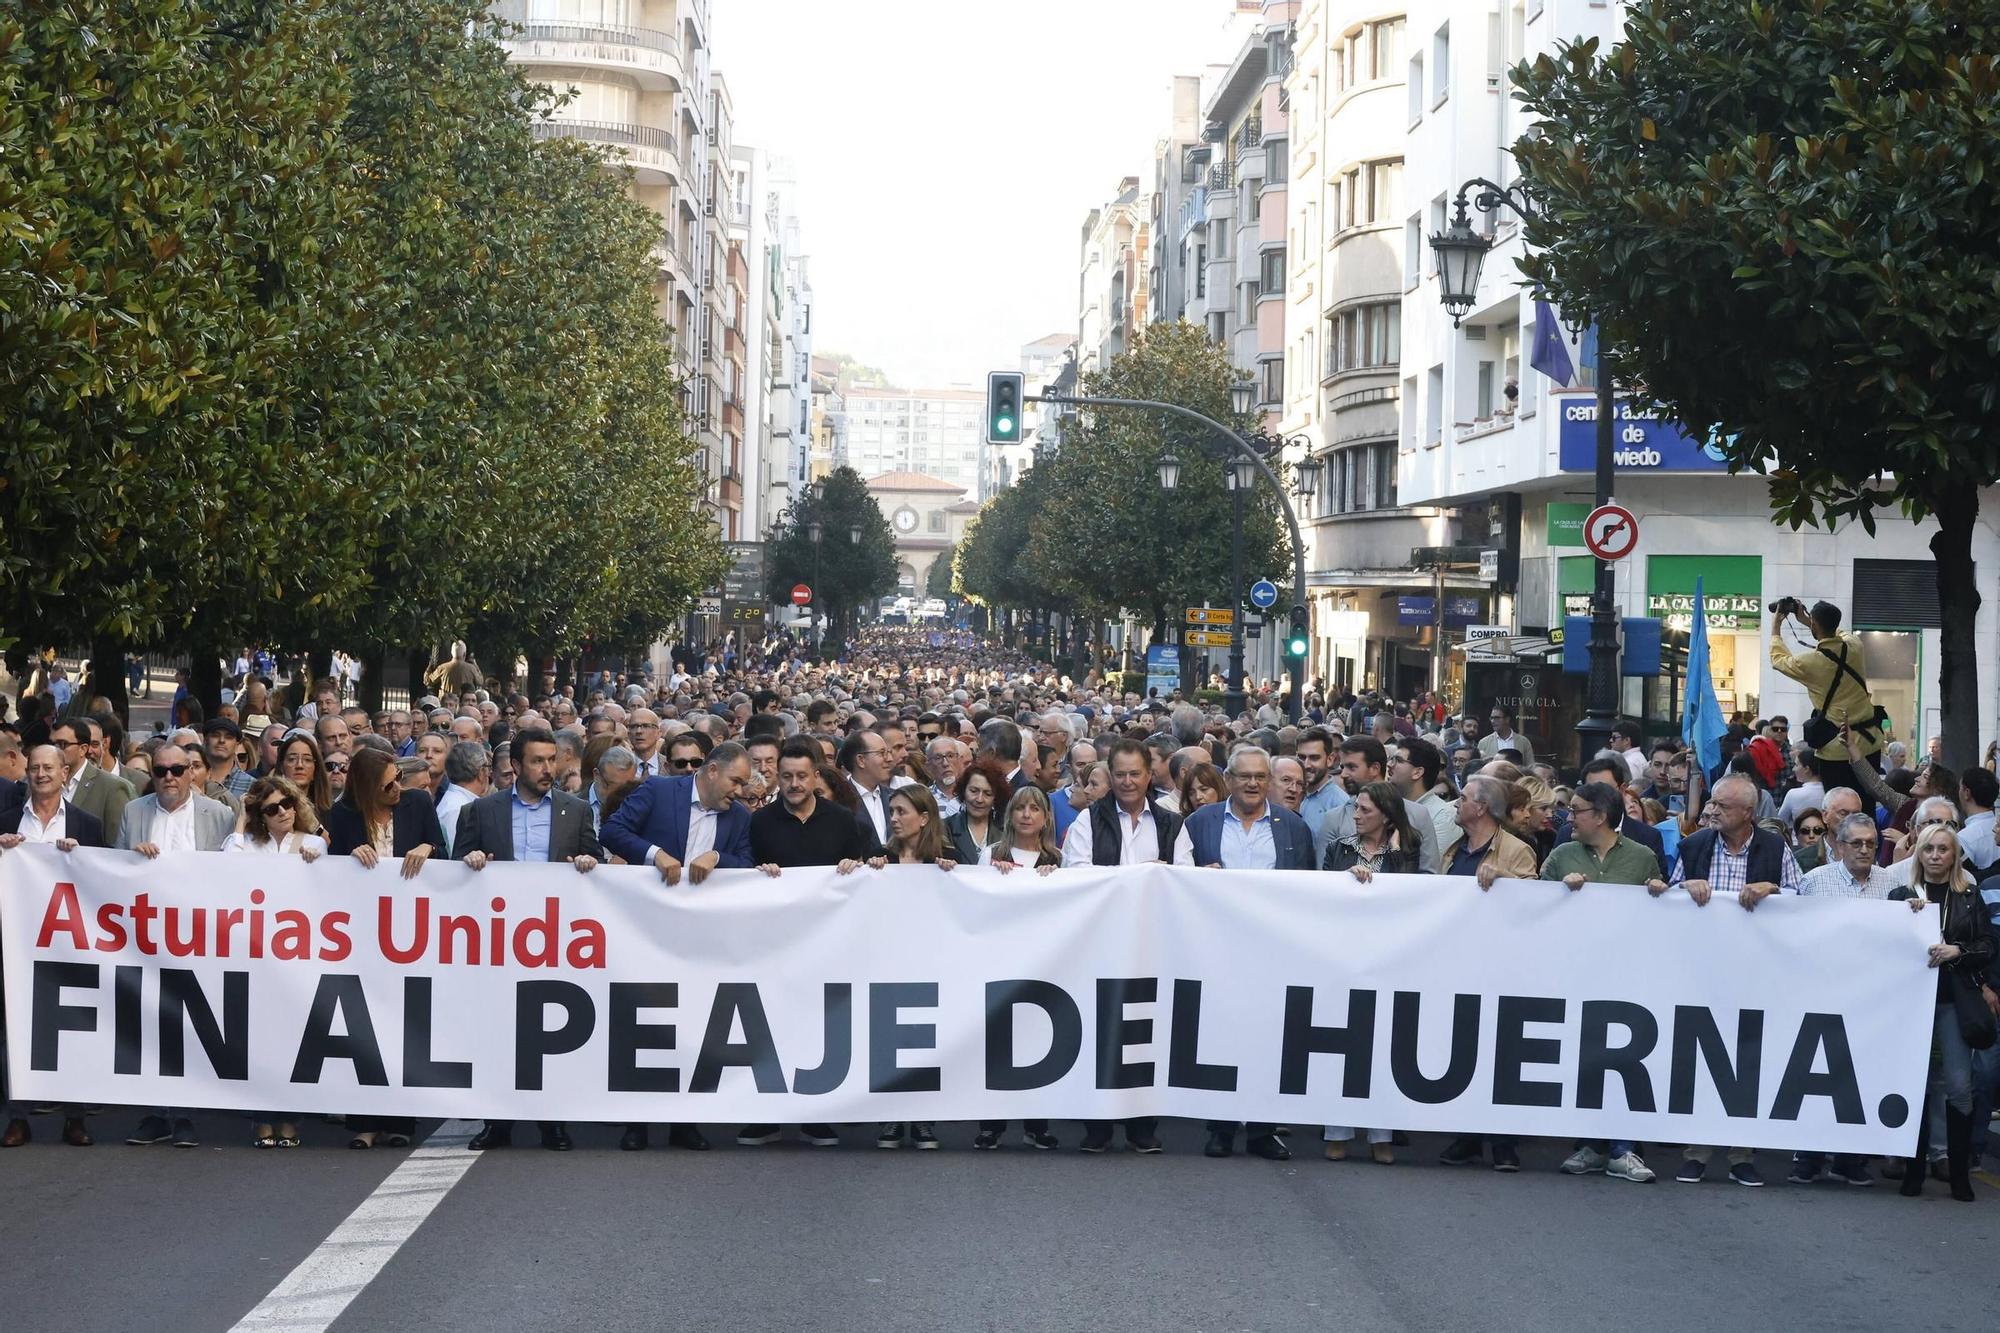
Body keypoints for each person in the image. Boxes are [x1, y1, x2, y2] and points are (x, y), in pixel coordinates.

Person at [600, 742, 755, 1152]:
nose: (738, 790)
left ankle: (685, 1121)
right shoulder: (659, 791)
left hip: (699, 940)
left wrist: (719, 857)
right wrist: (654, 855)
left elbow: (749, 860)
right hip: (642, 930)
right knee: (640, 1024)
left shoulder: (737, 817)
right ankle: (637, 1122)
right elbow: (612, 831)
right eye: (735, 781)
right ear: (711, 771)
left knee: (691, 1027)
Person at [454, 727, 600, 1153]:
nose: (547, 769)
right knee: (498, 1030)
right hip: (500, 940)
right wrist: (470, 860)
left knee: (551, 1030)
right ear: (515, 766)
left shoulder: (574, 811)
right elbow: (453, 872)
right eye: (538, 761)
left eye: (552, 760)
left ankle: (552, 1121)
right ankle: (496, 1121)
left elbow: (594, 859)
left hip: (555, 941)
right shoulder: (483, 812)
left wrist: (590, 861)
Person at [1175, 747, 1313, 1161]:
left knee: (1269, 1038)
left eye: (1259, 776)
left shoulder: (1292, 827)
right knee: (1220, 1036)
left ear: (1268, 780)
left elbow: (1307, 889)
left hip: (1273, 952)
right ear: (1228, 779)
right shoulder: (1200, 822)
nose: (1252, 784)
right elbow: (1177, 878)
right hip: (1215, 949)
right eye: (1243, 776)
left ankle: (1262, 1129)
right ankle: (1220, 1127)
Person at [1667, 774, 1802, 1185]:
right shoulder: (1693, 847)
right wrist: (1685, 887)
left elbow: (1803, 901)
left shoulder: (1776, 848)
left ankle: (1742, 1153)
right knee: (1700, 1062)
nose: (1712, 811)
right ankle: (1697, 1152)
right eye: (1712, 804)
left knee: (1746, 1064)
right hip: (1702, 973)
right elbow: (1665, 897)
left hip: (1755, 976)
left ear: (1748, 813)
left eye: (1722, 806)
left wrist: (1773, 890)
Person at [740, 738, 871, 1151]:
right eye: (787, 776)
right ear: (776, 777)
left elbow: (871, 870)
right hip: (772, 942)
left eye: (802, 776)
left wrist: (858, 867)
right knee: (771, 1024)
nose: (794, 784)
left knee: (821, 1026)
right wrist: (755, 873)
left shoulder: (842, 820)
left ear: (817, 776)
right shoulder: (759, 823)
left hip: (827, 944)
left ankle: (818, 1116)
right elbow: (740, 875)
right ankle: (769, 1117)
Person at [1539, 782, 1665, 1184]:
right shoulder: (1561, 855)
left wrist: (1659, 892)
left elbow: (1661, 906)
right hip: (1574, 974)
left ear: (1601, 816)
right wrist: (1559, 892)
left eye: (1576, 810)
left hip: (1629, 975)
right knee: (1587, 1057)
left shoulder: (1643, 857)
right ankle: (1590, 1145)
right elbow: (1532, 910)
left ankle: (1624, 1147)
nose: (1568, 817)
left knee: (1626, 1059)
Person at [322, 745, 444, 1149]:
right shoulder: (343, 816)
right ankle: (364, 1120)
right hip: (362, 935)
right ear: (366, 788)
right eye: (387, 783)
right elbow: (329, 872)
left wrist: (427, 848)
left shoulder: (417, 804)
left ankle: (401, 1119)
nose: (396, 788)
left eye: (397, 779)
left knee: (402, 1024)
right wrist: (346, 854)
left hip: (412, 933)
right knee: (362, 1025)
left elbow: (443, 851)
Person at [0, 743, 107, 1149]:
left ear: (65, 773)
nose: (41, 774)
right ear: (26, 773)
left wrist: (82, 859)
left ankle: (74, 1118)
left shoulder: (87, 824)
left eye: (49, 768)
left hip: (70, 945)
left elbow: (105, 883)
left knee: (74, 1028)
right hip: (16, 943)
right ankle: (18, 1118)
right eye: (34, 768)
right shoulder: (7, 821)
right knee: (14, 1031)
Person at [1888, 823, 1998, 1203]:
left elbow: (1987, 946)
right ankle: (1914, 1169)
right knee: (1914, 1084)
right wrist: (1907, 917)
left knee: (1958, 1085)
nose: (1935, 855)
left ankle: (1958, 1173)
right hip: (1911, 1005)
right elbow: (1883, 948)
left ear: (1954, 856)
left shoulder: (1969, 896)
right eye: (1929, 849)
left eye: (1942, 849)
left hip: (1954, 1003)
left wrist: (1957, 952)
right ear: (1918, 853)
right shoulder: (1899, 895)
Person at [222, 776, 326, 1149]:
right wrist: (240, 821)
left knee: (293, 1041)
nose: (282, 812)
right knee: (259, 1042)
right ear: (259, 816)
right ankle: (261, 1120)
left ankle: (290, 1121)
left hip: (297, 955)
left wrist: (314, 857)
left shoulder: (312, 843)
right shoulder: (248, 844)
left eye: (286, 804)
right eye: (271, 808)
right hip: (255, 955)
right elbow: (229, 867)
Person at [1319, 781, 1420, 1165]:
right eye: (1356, 809)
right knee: (1340, 1045)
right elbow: (1323, 894)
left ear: (1387, 815)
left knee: (1384, 1046)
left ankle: (1382, 1135)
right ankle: (1337, 1130)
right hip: (1342, 956)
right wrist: (1349, 879)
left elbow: (1412, 895)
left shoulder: (1406, 849)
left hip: (1390, 959)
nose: (1357, 816)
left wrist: (1391, 858)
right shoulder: (1339, 848)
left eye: (1365, 810)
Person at [972, 786, 1063, 1151]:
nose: (1027, 815)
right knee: (997, 1045)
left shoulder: (1057, 857)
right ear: (1010, 814)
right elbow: (976, 902)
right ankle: (991, 1125)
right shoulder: (992, 854)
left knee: (1037, 1043)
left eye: (1034, 809)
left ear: (1045, 817)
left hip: (1045, 963)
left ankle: (1036, 1124)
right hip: (1000, 961)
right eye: (1020, 808)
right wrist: (997, 878)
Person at [869, 784, 957, 1152]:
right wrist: (859, 870)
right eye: (891, 812)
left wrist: (956, 874)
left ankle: (922, 1118)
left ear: (924, 818)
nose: (894, 819)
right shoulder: (879, 858)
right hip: (888, 958)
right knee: (889, 1038)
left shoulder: (950, 858)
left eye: (902, 812)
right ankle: (891, 1115)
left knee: (924, 1039)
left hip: (932, 958)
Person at [1770, 599, 1881, 793]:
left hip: (1836, 749)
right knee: (1867, 803)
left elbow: (1778, 659)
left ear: (1814, 625)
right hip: (1870, 742)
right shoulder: (1855, 646)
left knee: (1837, 806)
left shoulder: (1809, 662)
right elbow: (1838, 633)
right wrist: (1807, 620)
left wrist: (1776, 625)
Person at [1315, 737, 1442, 872]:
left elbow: (1429, 875)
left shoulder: (1417, 814)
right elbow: (1325, 879)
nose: (1344, 774)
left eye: (1351, 767)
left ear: (1375, 768)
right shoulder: (1334, 819)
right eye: (1342, 767)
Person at [943, 757, 1009, 863]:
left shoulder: (1007, 830)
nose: (979, 799)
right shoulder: (945, 828)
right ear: (963, 791)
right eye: (974, 791)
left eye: (988, 794)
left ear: (996, 798)